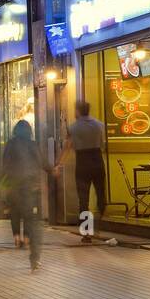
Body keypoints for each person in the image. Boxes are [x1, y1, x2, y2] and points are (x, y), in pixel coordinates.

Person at [0, 119, 58, 272]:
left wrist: (2, 185)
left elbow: (4, 166)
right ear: (29, 131)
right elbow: (42, 162)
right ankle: (34, 257)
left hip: (14, 187)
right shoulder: (33, 145)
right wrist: (53, 170)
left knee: (15, 212)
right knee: (32, 219)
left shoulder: (10, 145)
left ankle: (17, 237)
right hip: (31, 188)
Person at [64, 100, 107, 243]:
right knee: (101, 194)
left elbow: (68, 147)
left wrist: (59, 164)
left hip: (82, 164)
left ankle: (86, 233)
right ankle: (101, 225)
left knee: (83, 199)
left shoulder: (73, 127)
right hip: (97, 161)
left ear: (77, 111)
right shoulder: (100, 125)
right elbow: (103, 145)